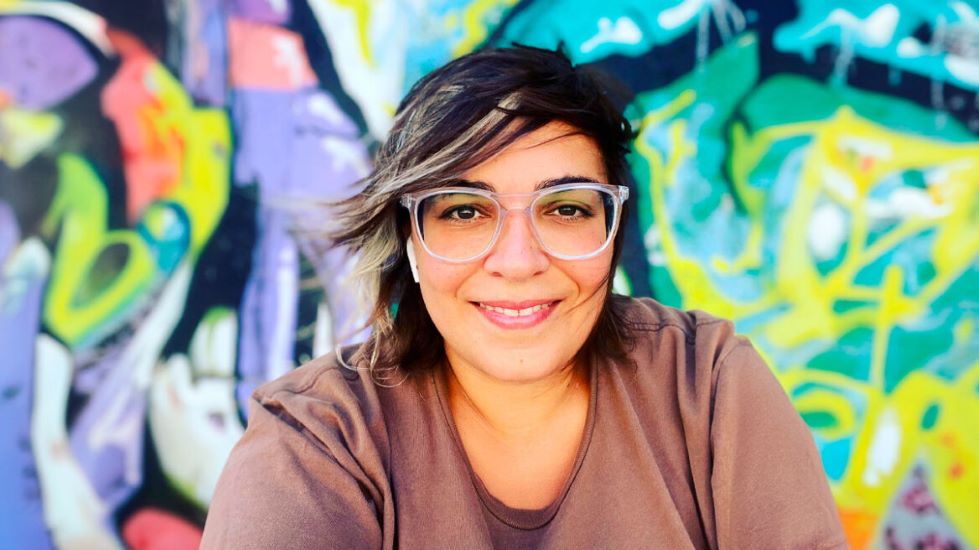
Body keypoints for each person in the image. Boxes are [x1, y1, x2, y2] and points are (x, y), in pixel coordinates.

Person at [201, 45, 846, 549]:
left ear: (612, 232)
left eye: (565, 208)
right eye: (464, 211)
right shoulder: (317, 442)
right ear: (411, 242)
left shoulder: (708, 388)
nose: (518, 262)